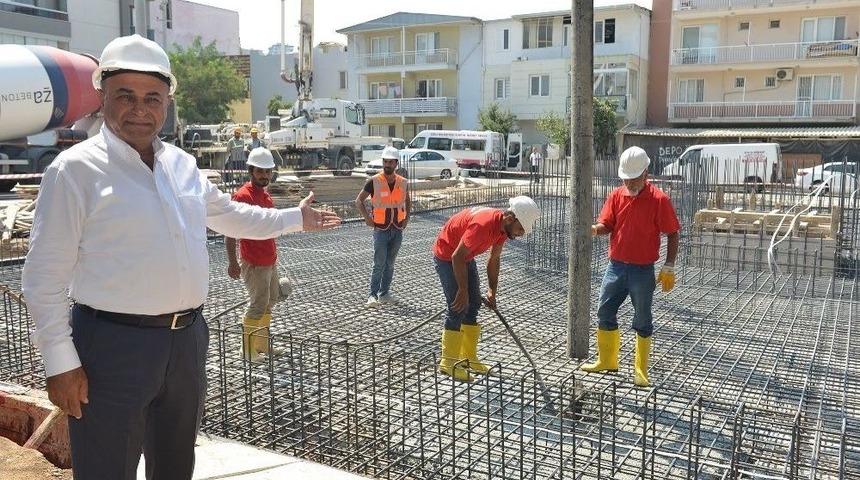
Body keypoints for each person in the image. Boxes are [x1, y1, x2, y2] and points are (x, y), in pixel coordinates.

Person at [20, 34, 340, 480]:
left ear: (167, 102)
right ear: (102, 97)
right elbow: (43, 276)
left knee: (175, 465)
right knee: (106, 468)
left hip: (186, 340)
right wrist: (60, 361)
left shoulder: (181, 165)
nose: (140, 109)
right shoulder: (75, 171)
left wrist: (293, 220)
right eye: (125, 96)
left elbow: (229, 215)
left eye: (152, 97)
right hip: (111, 346)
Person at [581, 146, 680, 388]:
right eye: (626, 179)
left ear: (646, 173)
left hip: (642, 270)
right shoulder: (616, 196)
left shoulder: (659, 200)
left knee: (642, 318)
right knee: (604, 311)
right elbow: (607, 224)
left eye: (633, 179)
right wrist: (594, 229)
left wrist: (668, 265)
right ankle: (607, 361)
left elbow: (673, 233)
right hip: (616, 266)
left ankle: (640, 370)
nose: (629, 183)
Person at [432, 196, 541, 381]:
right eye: (520, 228)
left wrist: (492, 291)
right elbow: (456, 257)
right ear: (510, 218)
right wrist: (462, 289)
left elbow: (494, 259)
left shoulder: (503, 230)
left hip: (465, 256)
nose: (521, 233)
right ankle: (448, 363)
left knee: (473, 304)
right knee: (458, 306)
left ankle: (468, 358)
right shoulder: (482, 226)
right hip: (447, 255)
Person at [226, 147, 289, 363]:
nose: (264, 175)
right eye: (260, 171)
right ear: (251, 171)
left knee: (270, 300)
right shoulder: (242, 196)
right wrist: (233, 262)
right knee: (257, 303)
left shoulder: (265, 195)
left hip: (269, 260)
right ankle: (247, 349)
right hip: (254, 262)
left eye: (267, 172)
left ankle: (261, 344)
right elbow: (230, 231)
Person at [355, 146, 411, 307]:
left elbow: (407, 200)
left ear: (396, 163)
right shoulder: (374, 181)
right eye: (385, 162)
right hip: (381, 229)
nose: (387, 164)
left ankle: (384, 293)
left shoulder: (402, 182)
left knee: (390, 263)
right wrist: (367, 218)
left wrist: (407, 218)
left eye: (390, 162)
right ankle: (372, 295)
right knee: (379, 263)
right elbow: (359, 201)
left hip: (397, 229)